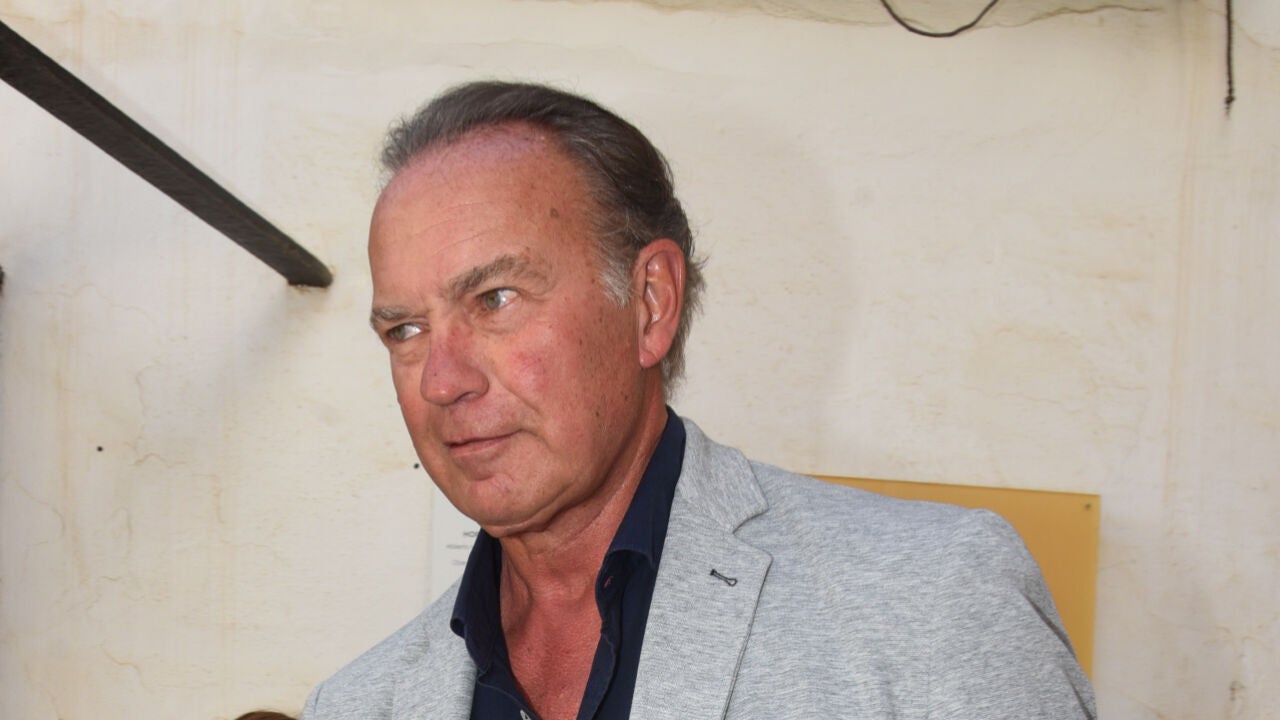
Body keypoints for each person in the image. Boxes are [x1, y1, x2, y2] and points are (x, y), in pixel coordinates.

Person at [303, 81, 1096, 719]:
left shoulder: (933, 605)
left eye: (495, 299)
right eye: (405, 330)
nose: (442, 381)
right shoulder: (358, 704)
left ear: (650, 301)